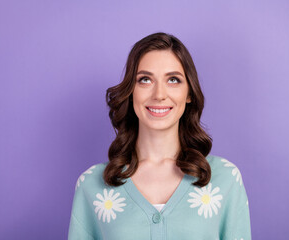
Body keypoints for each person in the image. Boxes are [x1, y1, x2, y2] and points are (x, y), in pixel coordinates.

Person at [68, 32, 251, 240]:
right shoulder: (92, 185)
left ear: (189, 93)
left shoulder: (225, 180)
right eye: (145, 80)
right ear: (131, 91)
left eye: (173, 80)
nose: (159, 95)